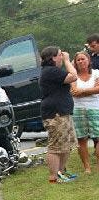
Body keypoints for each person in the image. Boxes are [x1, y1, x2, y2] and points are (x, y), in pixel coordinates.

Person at [39, 47, 78, 183]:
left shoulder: (53, 71)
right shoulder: (50, 71)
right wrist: (68, 61)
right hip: (55, 114)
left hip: (62, 111)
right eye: (60, 55)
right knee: (55, 146)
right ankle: (53, 177)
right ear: (53, 57)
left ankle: (61, 173)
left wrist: (68, 63)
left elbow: (69, 77)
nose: (63, 57)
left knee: (65, 144)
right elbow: (73, 76)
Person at [70, 51, 99, 173]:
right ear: (75, 63)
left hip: (95, 108)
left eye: (83, 59)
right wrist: (91, 90)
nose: (81, 61)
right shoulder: (73, 75)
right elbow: (73, 91)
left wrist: (82, 92)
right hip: (78, 110)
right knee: (82, 139)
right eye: (78, 60)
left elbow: (98, 89)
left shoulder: (97, 73)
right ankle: (87, 167)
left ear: (89, 61)